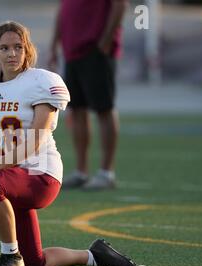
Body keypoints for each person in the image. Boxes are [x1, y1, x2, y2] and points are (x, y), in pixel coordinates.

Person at [0, 21, 136, 266]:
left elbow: (33, 141)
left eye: (18, 47)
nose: (12, 53)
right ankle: (94, 255)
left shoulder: (42, 82)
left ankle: (9, 256)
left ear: (28, 50)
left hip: (40, 175)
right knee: (36, 263)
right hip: (12, 176)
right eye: (4, 48)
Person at [48, 0, 128, 191]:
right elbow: (64, 9)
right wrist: (54, 45)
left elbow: (120, 5)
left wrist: (106, 41)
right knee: (77, 111)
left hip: (96, 50)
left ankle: (106, 172)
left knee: (104, 109)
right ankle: (81, 171)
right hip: (72, 52)